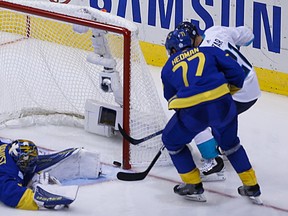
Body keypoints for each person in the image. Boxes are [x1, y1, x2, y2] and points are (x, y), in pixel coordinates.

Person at [161, 28, 261, 203]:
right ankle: (252, 186)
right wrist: (225, 93)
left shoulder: (168, 67)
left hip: (193, 113)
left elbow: (171, 98)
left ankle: (193, 184)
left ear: (173, 50)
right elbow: (236, 73)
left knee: (171, 140)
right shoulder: (210, 51)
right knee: (231, 145)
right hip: (223, 105)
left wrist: (183, 117)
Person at [0, 138, 83, 210]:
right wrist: (39, 200)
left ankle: (31, 179)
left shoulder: (7, 148)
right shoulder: (6, 172)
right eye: (29, 162)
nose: (32, 164)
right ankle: (31, 180)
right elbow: (9, 194)